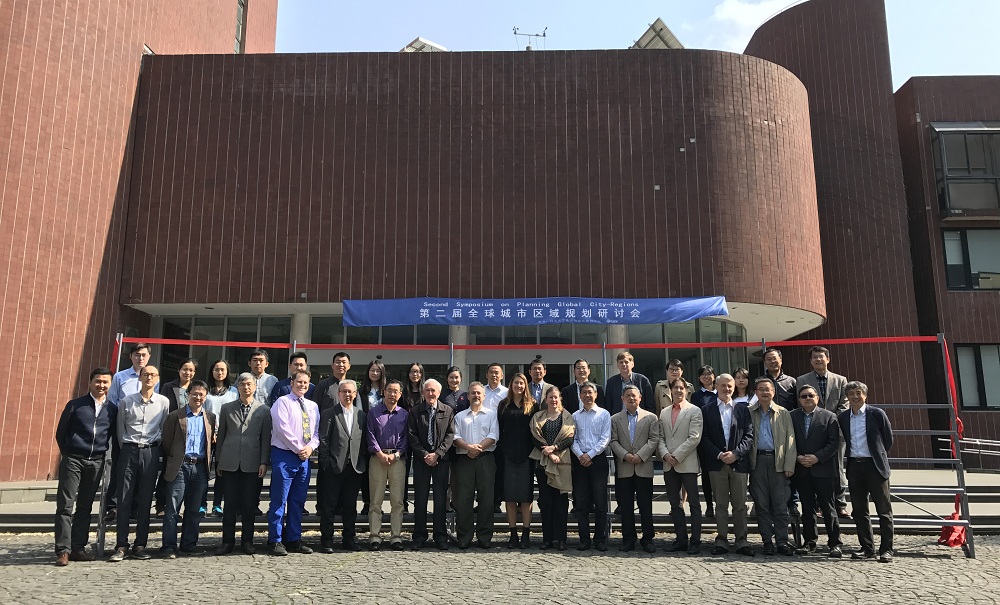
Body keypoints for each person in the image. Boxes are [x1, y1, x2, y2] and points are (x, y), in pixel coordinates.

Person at [53, 368, 117, 566]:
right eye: (98, 381)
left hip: (96, 462)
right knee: (65, 505)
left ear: (110, 384)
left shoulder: (112, 409)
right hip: (73, 459)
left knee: (85, 506)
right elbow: (61, 433)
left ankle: (78, 548)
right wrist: (69, 452)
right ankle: (63, 550)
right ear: (90, 382)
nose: (101, 385)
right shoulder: (76, 405)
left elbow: (111, 435)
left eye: (105, 382)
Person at [109, 365, 169, 562]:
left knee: (145, 499)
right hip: (129, 450)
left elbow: (163, 428)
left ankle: (140, 544)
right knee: (124, 498)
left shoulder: (163, 402)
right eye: (145, 374)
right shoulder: (127, 402)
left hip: (150, 452)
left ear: (157, 378)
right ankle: (121, 545)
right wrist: (127, 449)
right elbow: (120, 430)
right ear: (140, 378)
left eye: (153, 374)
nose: (149, 377)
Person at [215, 373, 272, 555]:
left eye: (249, 384)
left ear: (254, 387)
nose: (246, 387)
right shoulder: (227, 408)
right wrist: (218, 461)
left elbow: (265, 439)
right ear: (237, 387)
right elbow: (221, 435)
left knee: (249, 505)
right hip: (229, 462)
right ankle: (227, 542)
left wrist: (264, 461)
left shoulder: (264, 410)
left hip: (252, 463)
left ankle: (247, 541)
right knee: (229, 505)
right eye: (242, 384)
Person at [839, 381, 895, 563]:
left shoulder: (876, 414)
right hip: (855, 466)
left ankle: (887, 549)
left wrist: (878, 456)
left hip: (875, 466)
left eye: (858, 393)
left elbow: (888, 439)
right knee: (859, 510)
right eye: (851, 394)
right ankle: (867, 548)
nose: (855, 397)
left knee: (883, 510)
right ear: (847, 397)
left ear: (865, 395)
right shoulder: (843, 417)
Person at [159, 380, 216, 558]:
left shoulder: (210, 417)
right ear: (188, 395)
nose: (198, 397)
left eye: (201, 395)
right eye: (194, 394)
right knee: (172, 509)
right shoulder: (175, 416)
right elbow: (167, 442)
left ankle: (189, 545)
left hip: (200, 468)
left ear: (206, 397)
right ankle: (168, 546)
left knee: (194, 509)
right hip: (180, 466)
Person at [699, 373, 753, 556]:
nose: (727, 389)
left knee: (740, 505)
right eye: (723, 385)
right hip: (717, 464)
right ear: (716, 387)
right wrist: (719, 454)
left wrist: (736, 454)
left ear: (734, 387)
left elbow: (749, 436)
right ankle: (721, 540)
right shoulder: (706, 410)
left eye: (730, 385)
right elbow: (703, 438)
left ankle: (742, 541)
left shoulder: (743, 410)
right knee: (720, 505)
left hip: (738, 464)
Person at [267, 369, 319, 555]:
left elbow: (316, 432)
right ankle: (275, 540)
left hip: (304, 458)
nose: (302, 385)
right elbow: (282, 429)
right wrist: (299, 449)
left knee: (297, 501)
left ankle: (294, 538)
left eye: (305, 382)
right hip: (285, 455)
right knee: (279, 500)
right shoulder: (282, 402)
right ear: (292, 383)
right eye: (299, 382)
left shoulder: (312, 406)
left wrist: (310, 448)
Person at [796, 345, 850, 517]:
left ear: (828, 359)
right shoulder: (802, 380)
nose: (818, 359)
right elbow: (801, 402)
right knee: (816, 467)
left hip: (836, 429)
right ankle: (819, 505)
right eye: (815, 357)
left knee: (837, 467)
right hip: (812, 431)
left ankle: (840, 503)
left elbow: (844, 404)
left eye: (821, 356)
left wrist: (831, 421)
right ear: (811, 361)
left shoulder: (840, 380)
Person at [790, 384, 843, 558]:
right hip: (802, 470)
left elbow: (834, 443)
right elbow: (787, 440)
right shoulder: (792, 416)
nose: (807, 398)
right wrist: (797, 457)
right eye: (803, 396)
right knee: (807, 508)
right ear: (799, 399)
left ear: (817, 398)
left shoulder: (829, 416)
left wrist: (817, 457)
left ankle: (835, 543)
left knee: (828, 508)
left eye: (810, 395)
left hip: (823, 469)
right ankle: (809, 542)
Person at [105, 342, 154, 523]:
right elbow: (112, 403)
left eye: (144, 355)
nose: (140, 358)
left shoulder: (153, 377)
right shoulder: (120, 377)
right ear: (131, 356)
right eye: (137, 355)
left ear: (149, 357)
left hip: (145, 431)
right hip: (124, 429)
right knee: (119, 468)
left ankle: (134, 507)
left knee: (140, 472)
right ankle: (113, 506)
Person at [318, 379, 368, 553]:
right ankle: (327, 540)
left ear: (355, 394)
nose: (347, 394)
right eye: (344, 391)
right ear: (339, 394)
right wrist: (326, 463)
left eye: (350, 392)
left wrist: (361, 461)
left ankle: (349, 539)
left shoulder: (361, 415)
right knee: (329, 506)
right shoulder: (329, 413)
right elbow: (324, 440)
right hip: (334, 467)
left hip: (354, 468)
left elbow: (363, 441)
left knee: (350, 506)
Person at [748, 377, 796, 556]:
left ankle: (782, 541)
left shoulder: (783, 413)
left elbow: (790, 440)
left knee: (780, 505)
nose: (764, 392)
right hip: (757, 462)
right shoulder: (749, 412)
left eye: (767, 389)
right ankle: (767, 541)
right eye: (761, 389)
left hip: (778, 462)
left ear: (773, 392)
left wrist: (789, 464)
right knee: (762, 505)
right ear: (756, 393)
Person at [610, 385, 660, 553]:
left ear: (640, 398)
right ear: (622, 399)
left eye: (634, 396)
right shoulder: (615, 419)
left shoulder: (651, 417)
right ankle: (628, 539)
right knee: (626, 506)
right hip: (624, 467)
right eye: (628, 396)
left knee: (645, 505)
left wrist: (640, 455)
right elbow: (613, 441)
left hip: (643, 465)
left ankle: (648, 539)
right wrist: (625, 455)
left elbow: (654, 439)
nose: (631, 398)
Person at [407, 378, 455, 549]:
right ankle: (419, 536)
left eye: (433, 390)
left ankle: (440, 536)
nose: (430, 393)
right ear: (423, 392)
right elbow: (412, 435)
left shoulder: (447, 411)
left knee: (440, 500)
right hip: (422, 461)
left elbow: (450, 435)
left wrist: (437, 454)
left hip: (441, 461)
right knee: (420, 499)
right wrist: (425, 455)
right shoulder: (415, 411)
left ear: (439, 393)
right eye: (427, 390)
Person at [657, 378, 703, 555]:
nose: (678, 390)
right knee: (675, 504)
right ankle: (681, 539)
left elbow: (694, 437)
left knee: (694, 504)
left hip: (687, 463)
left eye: (681, 388)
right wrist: (665, 455)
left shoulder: (694, 410)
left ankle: (696, 541)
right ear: (670, 390)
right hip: (669, 465)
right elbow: (660, 437)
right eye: (675, 388)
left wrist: (676, 455)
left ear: (687, 390)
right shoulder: (664, 412)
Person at [452, 381, 498, 549]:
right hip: (465, 460)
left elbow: (494, 435)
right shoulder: (460, 416)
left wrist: (477, 449)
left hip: (486, 459)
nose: (476, 396)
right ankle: (464, 536)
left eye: (479, 393)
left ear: (483, 396)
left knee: (486, 499)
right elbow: (455, 437)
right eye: (473, 393)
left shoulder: (491, 414)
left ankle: (484, 536)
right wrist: (469, 448)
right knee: (464, 499)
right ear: (468, 396)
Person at [366, 379, 409, 551]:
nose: (392, 394)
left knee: (397, 501)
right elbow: (370, 434)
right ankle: (374, 537)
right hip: (378, 458)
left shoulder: (404, 414)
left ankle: (396, 537)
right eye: (389, 390)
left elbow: (406, 438)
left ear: (400, 394)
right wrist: (380, 454)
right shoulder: (373, 413)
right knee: (375, 500)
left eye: (396, 391)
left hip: (397, 459)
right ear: (384, 392)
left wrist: (397, 454)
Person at [530, 386, 575, 551]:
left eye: (556, 397)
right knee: (546, 502)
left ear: (560, 399)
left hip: (561, 463)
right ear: (546, 399)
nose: (553, 400)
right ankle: (547, 539)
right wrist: (549, 453)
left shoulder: (567, 417)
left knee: (561, 503)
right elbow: (535, 438)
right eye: (550, 397)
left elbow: (570, 438)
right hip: (542, 464)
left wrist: (554, 448)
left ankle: (561, 539)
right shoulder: (538, 417)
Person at [154, 358, 198, 516]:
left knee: (184, 473)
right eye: (185, 369)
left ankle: (179, 506)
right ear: (179, 370)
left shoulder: (196, 388)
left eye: (191, 370)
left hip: (191, 435)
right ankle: (161, 504)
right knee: (168, 469)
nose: (188, 372)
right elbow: (163, 409)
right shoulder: (168, 387)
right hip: (173, 433)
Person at [497, 372, 537, 548]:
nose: (518, 386)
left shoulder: (532, 405)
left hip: (527, 456)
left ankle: (526, 533)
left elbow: (535, 430)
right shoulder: (503, 405)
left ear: (525, 386)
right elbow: (499, 429)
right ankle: (513, 533)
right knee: (510, 497)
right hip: (508, 456)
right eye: (516, 383)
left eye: (521, 383)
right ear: (511, 385)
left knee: (526, 497)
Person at [571, 381, 611, 551]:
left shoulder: (604, 414)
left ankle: (600, 539)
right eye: (584, 392)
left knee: (600, 502)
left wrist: (590, 455)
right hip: (579, 461)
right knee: (581, 503)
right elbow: (572, 438)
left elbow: (605, 438)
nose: (587, 395)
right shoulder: (574, 416)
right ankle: (584, 539)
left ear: (596, 395)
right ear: (580, 396)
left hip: (598, 460)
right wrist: (581, 455)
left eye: (590, 392)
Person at [204, 359, 237, 515]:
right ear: (212, 371)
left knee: (220, 471)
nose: (220, 372)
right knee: (204, 471)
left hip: (226, 436)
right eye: (217, 369)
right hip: (206, 435)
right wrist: (211, 432)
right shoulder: (205, 390)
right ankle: (201, 503)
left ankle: (217, 504)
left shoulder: (233, 391)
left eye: (223, 369)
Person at [691, 364, 717, 518]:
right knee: (706, 474)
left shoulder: (720, 392)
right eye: (703, 374)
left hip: (720, 438)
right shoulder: (696, 396)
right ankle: (709, 506)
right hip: (703, 439)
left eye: (709, 373)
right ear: (699, 378)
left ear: (714, 376)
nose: (706, 377)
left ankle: (721, 504)